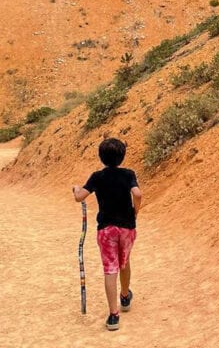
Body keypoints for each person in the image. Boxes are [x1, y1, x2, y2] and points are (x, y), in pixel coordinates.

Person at [72, 137, 142, 331]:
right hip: (127, 227)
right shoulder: (128, 174)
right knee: (125, 262)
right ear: (122, 156)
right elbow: (137, 194)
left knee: (110, 269)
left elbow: (79, 197)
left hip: (106, 229)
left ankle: (113, 316)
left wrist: (76, 189)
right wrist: (136, 210)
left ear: (101, 157)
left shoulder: (97, 177)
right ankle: (125, 297)